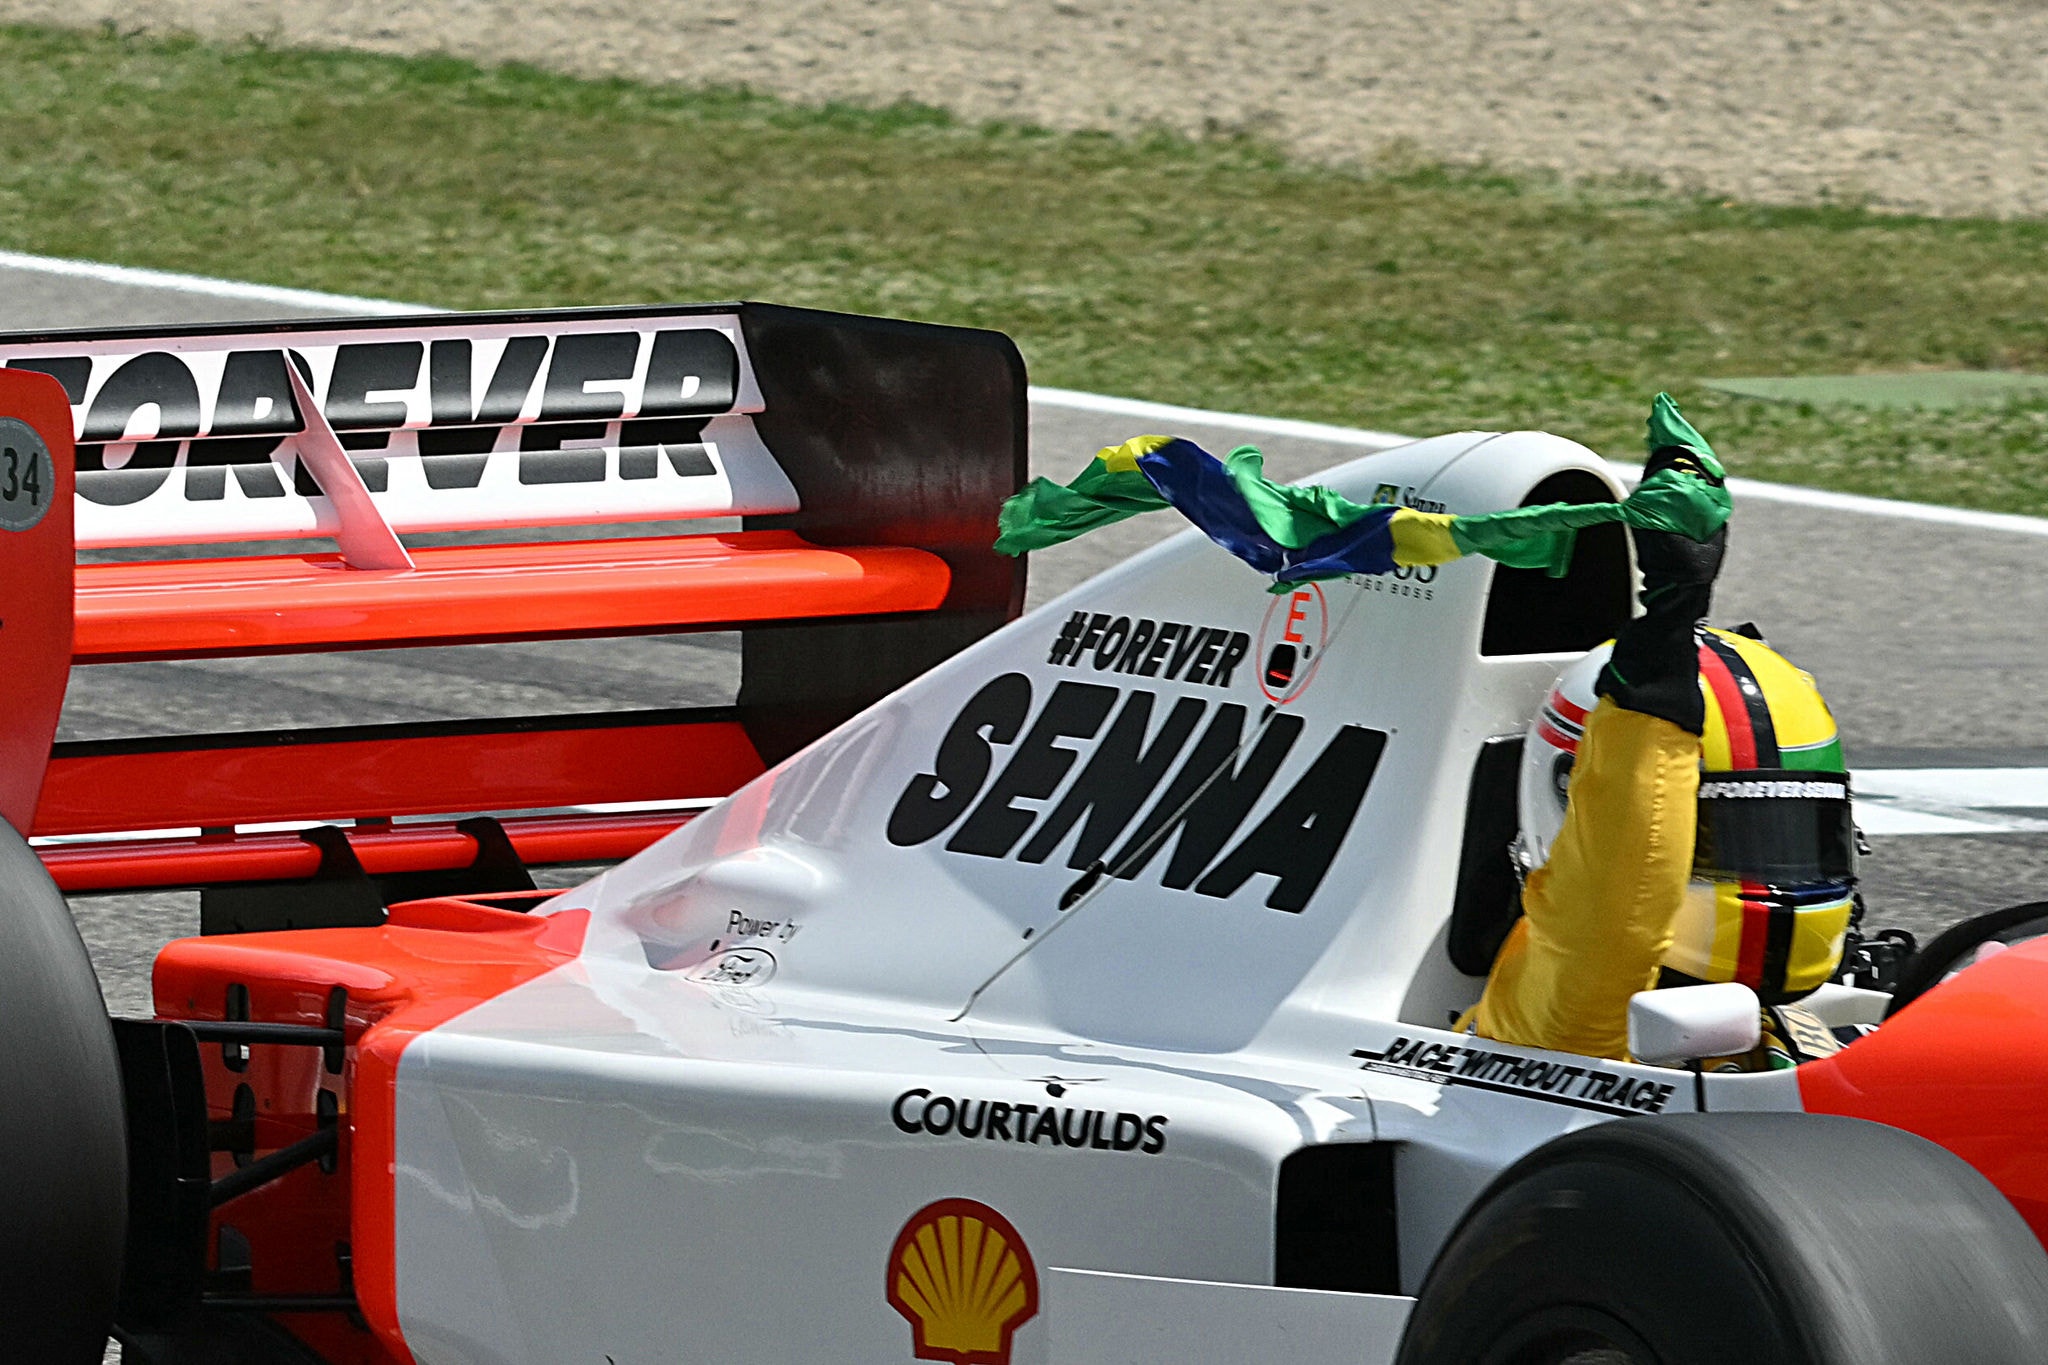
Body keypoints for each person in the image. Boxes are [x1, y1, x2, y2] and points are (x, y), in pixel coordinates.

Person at [1464, 445, 1859, 1069]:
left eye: (1794, 831)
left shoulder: (1810, 1026)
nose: (1771, 878)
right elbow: (1619, 891)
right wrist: (1666, 635)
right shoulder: (1574, 1014)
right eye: (1717, 839)